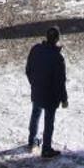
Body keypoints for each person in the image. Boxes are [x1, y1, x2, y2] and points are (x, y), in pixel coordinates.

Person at [24, 25, 68, 158]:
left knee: (35, 114)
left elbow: (28, 69)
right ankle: (46, 148)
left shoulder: (36, 49)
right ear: (57, 39)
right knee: (49, 121)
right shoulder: (57, 58)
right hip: (50, 95)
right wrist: (64, 99)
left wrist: (34, 84)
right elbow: (60, 82)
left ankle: (32, 141)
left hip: (37, 90)